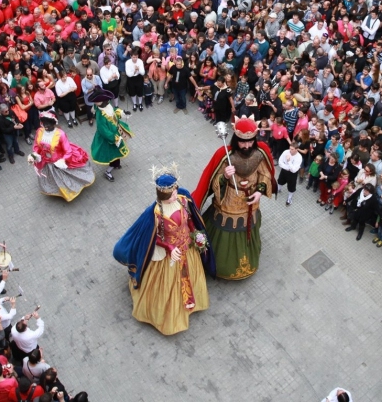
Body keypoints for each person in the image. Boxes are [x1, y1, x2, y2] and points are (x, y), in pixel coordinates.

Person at [112, 168, 215, 334]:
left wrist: (195, 233)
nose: (175, 195)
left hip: (186, 246)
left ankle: (192, 302)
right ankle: (168, 316)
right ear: (163, 196)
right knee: (169, 285)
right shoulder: (156, 213)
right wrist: (169, 248)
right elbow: (155, 237)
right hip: (170, 255)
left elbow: (189, 219)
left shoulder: (183, 200)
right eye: (171, 195)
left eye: (175, 192)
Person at [191, 117, 276, 280]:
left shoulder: (259, 153)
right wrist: (224, 176)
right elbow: (212, 182)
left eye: (250, 142)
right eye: (243, 142)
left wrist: (259, 191)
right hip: (229, 202)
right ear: (236, 139)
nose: (247, 146)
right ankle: (221, 265)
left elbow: (265, 174)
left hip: (251, 202)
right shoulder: (225, 155)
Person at [27, 111, 95, 201]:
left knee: (63, 178)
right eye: (44, 122)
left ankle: (68, 191)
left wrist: (62, 161)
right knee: (54, 179)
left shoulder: (61, 134)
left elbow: (68, 151)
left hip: (58, 162)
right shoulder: (39, 131)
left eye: (48, 123)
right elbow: (36, 146)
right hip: (46, 161)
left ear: (54, 123)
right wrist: (34, 155)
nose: (45, 125)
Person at [86, 86, 132, 182]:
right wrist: (114, 138)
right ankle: (108, 172)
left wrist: (122, 113)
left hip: (115, 133)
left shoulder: (108, 105)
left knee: (116, 153)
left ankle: (116, 164)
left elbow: (114, 112)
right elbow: (103, 131)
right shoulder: (100, 115)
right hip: (109, 139)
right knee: (113, 156)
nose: (96, 103)